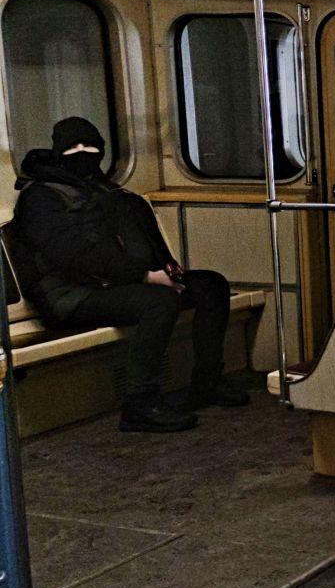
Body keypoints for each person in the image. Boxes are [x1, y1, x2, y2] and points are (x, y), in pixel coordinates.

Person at [11, 117, 247, 433]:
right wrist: (145, 276)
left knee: (211, 285)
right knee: (158, 302)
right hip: (70, 295)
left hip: (118, 282)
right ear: (58, 152)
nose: (83, 153)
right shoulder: (40, 199)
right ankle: (140, 403)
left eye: (90, 147)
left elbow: (143, 239)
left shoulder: (103, 189)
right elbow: (73, 255)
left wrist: (170, 270)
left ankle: (208, 381)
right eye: (74, 147)